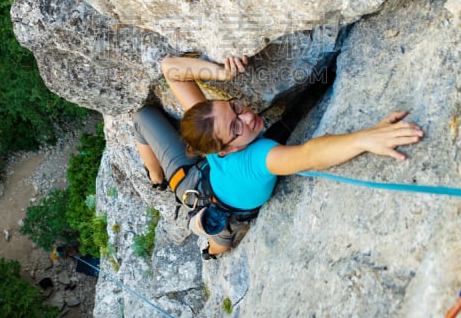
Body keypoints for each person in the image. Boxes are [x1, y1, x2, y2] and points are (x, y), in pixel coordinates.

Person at [133, 55, 424, 258]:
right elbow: (310, 155)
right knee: (217, 246)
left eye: (235, 108)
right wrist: (364, 138)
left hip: (196, 179)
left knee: (144, 118)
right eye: (236, 127)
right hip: (219, 203)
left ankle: (159, 179)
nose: (246, 117)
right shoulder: (257, 158)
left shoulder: (214, 131)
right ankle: (195, 229)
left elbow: (170, 68)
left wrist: (220, 71)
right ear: (223, 149)